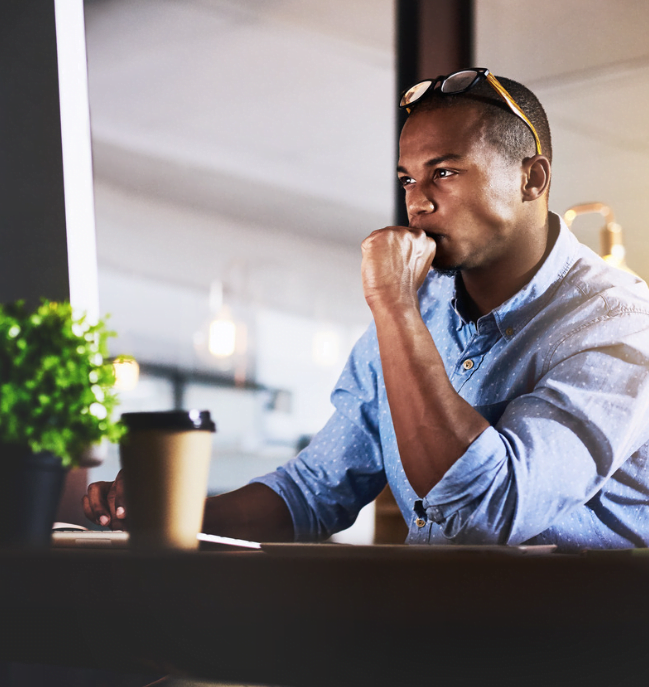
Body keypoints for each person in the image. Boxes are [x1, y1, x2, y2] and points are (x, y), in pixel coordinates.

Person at [84, 69, 649, 550]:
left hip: (580, 647)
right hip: (435, 635)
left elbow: (485, 513)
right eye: (408, 178)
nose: (417, 201)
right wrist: (169, 517)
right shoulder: (420, 306)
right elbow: (311, 492)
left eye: (444, 173)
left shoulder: (617, 325)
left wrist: (392, 304)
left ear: (532, 178)